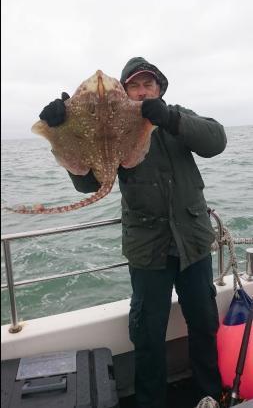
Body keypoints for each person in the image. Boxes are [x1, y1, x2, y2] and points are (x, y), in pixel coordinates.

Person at [39, 57, 227, 408]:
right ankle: (150, 401)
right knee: (147, 334)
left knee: (203, 322)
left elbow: (216, 141)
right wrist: (62, 129)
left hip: (193, 242)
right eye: (135, 86)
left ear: (159, 89)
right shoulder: (113, 126)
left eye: (149, 85)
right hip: (148, 249)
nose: (142, 91)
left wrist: (170, 118)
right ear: (125, 93)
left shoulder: (176, 116)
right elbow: (87, 182)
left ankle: (209, 394)